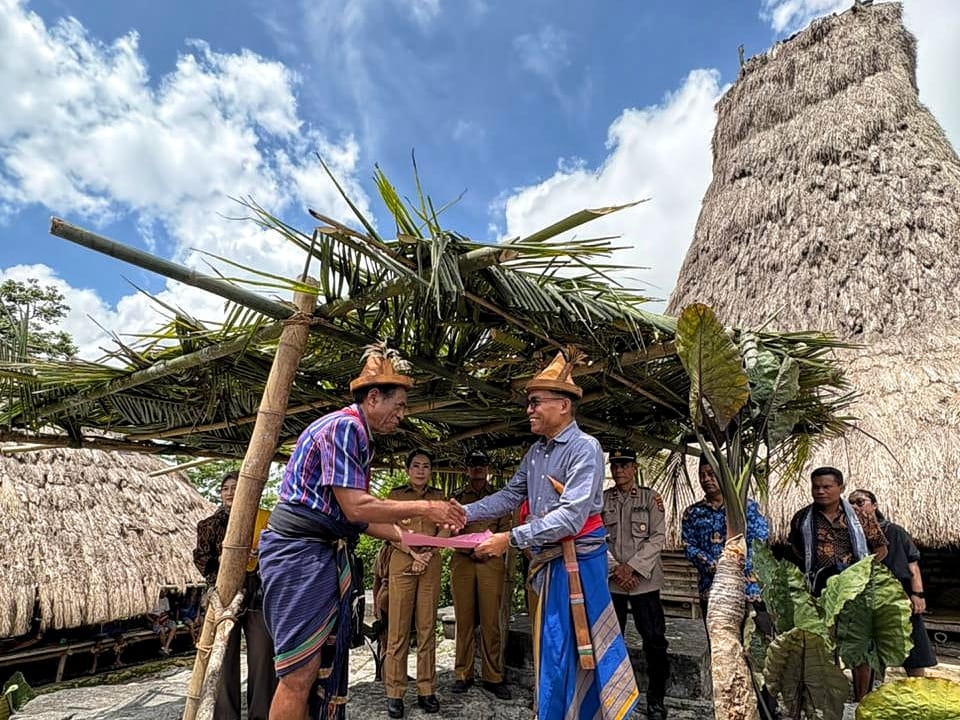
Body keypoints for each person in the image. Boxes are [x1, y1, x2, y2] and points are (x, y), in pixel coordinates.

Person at [257, 344, 466, 720]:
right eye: (398, 405)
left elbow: (356, 517)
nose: (401, 415)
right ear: (373, 398)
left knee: (315, 668)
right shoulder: (345, 427)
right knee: (298, 674)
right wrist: (426, 508)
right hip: (299, 553)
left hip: (319, 550)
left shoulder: (360, 438)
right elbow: (357, 508)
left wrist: (411, 538)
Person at [466, 349, 640, 720]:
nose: (528, 410)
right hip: (548, 562)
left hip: (579, 563)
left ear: (563, 406)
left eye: (535, 402)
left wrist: (508, 539)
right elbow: (511, 495)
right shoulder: (535, 452)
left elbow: (571, 518)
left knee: (578, 647)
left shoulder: (585, 448)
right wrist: (464, 513)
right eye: (529, 403)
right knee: (553, 648)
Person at [788, 466, 887, 701]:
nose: (820, 491)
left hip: (856, 591)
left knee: (859, 644)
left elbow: (881, 548)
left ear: (841, 488)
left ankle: (861, 701)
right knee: (822, 644)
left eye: (827, 487)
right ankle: (827, 700)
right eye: (816, 487)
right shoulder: (802, 518)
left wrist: (861, 572)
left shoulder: (861, 517)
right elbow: (795, 551)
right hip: (819, 591)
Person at [193, 471, 276, 720]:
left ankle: (261, 715)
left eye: (235, 487)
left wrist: (260, 555)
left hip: (257, 589)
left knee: (263, 653)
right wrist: (223, 559)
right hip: (223, 591)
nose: (230, 492)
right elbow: (201, 559)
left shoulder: (265, 519)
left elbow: (278, 553)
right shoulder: (209, 525)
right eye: (225, 488)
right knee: (224, 655)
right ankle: (225, 716)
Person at [603, 447, 669, 720]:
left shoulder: (650, 498)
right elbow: (596, 538)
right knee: (609, 642)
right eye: (615, 465)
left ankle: (656, 700)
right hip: (612, 582)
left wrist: (631, 568)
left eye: (624, 465)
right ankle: (612, 698)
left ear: (634, 467)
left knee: (654, 642)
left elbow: (657, 537)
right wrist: (616, 569)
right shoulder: (602, 500)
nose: (619, 470)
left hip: (644, 582)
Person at [384, 450, 447, 717]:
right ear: (407, 470)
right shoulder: (396, 496)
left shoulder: (439, 497)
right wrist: (412, 553)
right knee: (398, 630)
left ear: (431, 471)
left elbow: (446, 527)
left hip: (431, 562)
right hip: (402, 560)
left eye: (426, 466)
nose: (421, 470)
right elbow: (388, 529)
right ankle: (395, 693)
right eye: (416, 466)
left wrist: (428, 554)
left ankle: (426, 690)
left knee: (427, 627)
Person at [848, 489, 937, 677]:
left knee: (913, 644)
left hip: (899, 595)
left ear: (874, 505)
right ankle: (868, 690)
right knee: (867, 646)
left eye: (860, 502)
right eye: (851, 503)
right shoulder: (850, 535)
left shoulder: (895, 531)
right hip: (866, 597)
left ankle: (917, 686)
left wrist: (918, 594)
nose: (855, 506)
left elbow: (913, 564)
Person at [450, 449, 512, 700]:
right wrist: (468, 548)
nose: (478, 468)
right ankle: (462, 674)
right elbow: (450, 530)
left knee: (491, 621)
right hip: (463, 561)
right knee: (463, 621)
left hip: (490, 561)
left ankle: (493, 676)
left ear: (488, 468)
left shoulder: (499, 498)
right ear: (466, 468)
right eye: (473, 464)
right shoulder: (457, 498)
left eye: (482, 464)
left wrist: (486, 550)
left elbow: (506, 531)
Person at [682, 454, 770, 621]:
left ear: (723, 476)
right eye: (702, 475)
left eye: (711, 474)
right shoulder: (693, 513)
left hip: (748, 591)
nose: (706, 479)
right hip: (712, 591)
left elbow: (759, 543)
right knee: (719, 637)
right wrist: (716, 566)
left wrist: (733, 567)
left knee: (756, 636)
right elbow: (688, 546)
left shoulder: (748, 508)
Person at [147, 589, 177, 657]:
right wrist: (154, 621)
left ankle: (166, 647)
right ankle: (166, 649)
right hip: (154, 620)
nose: (164, 594)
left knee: (173, 625)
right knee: (162, 630)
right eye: (163, 592)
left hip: (163, 618)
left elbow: (166, 611)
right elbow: (146, 615)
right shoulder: (152, 600)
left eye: (165, 592)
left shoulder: (166, 599)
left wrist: (163, 618)